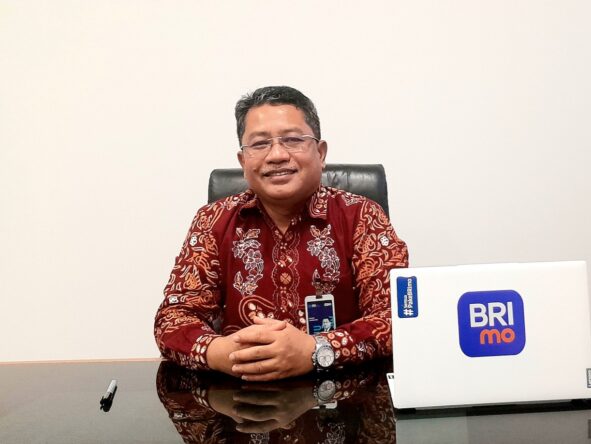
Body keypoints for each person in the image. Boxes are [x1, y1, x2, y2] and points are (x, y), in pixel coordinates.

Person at [154, 86, 409, 382]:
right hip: (241, 395)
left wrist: (317, 350)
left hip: (346, 394)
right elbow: (173, 319)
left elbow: (397, 317)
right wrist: (222, 353)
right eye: (260, 144)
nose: (276, 155)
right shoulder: (213, 221)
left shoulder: (361, 216)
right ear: (243, 161)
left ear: (320, 153)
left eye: (293, 140)